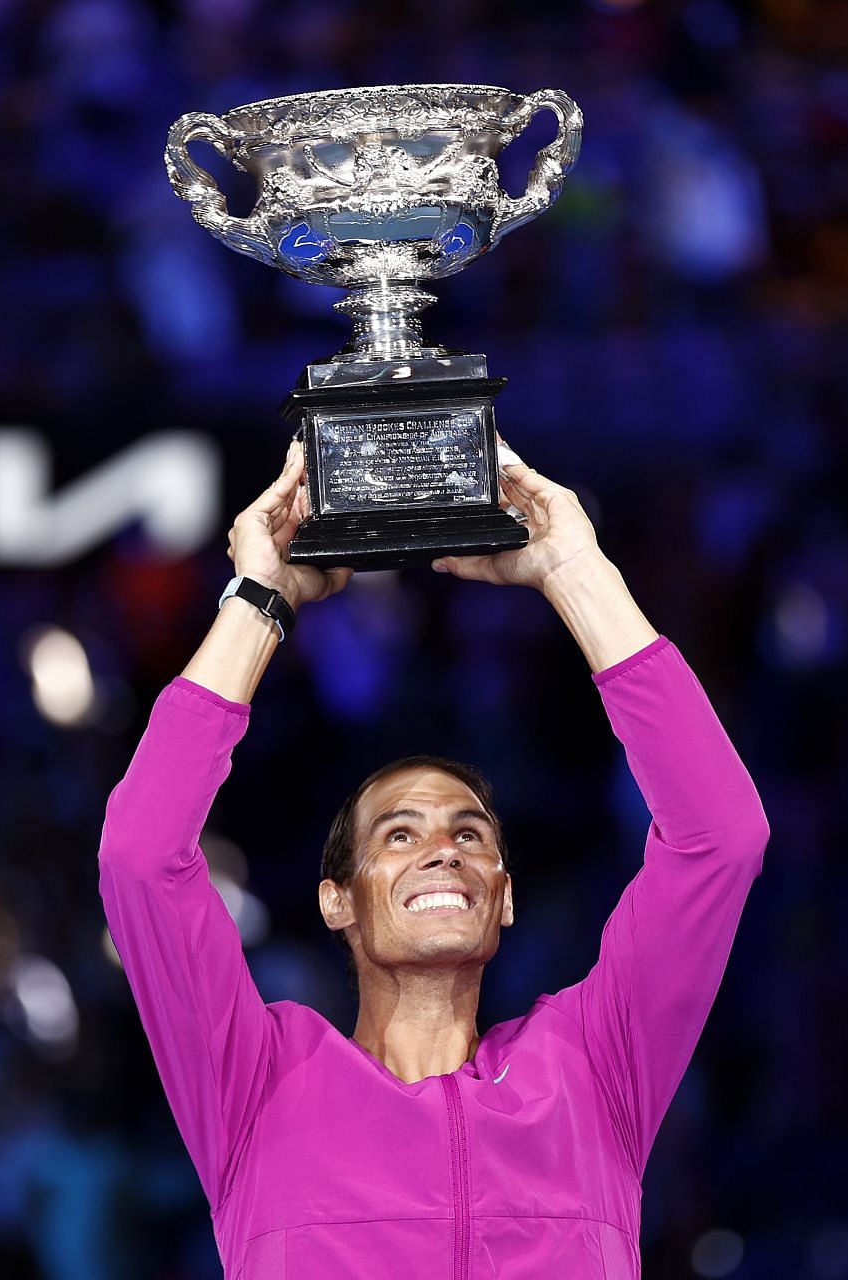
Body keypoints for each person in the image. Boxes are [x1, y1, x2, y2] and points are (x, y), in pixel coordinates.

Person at [99, 442, 769, 1277]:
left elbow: (720, 838)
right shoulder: (255, 1086)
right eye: (399, 835)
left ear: (505, 896)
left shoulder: (593, 1070)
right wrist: (258, 600)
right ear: (336, 900)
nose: (443, 850)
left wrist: (576, 571)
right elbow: (141, 854)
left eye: (471, 835)